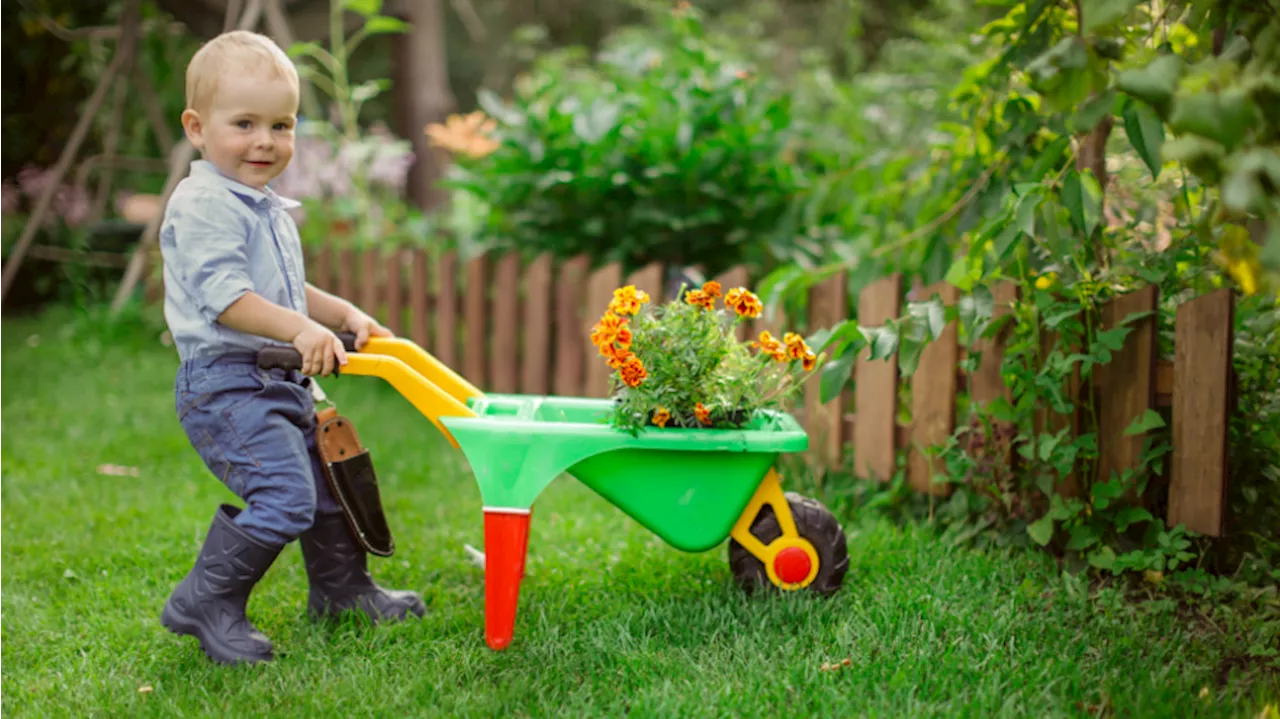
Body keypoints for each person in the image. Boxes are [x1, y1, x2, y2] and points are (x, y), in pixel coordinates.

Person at [157, 30, 424, 666]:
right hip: (226, 385)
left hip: (275, 379)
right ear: (197, 127)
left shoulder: (260, 205)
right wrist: (302, 331)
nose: (265, 142)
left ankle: (341, 592)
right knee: (285, 495)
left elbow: (284, 289)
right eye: (244, 123)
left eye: (281, 125)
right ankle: (205, 600)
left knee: (328, 486)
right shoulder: (202, 205)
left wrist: (340, 314)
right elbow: (227, 298)